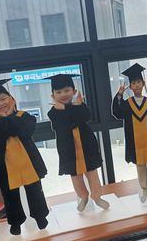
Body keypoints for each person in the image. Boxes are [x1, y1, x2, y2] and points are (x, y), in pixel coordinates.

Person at [0, 79, 50, 236]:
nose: (0, 103)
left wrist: (8, 117)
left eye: (3, 99)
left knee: (36, 192)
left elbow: (24, 130)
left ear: (12, 99)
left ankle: (40, 216)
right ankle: (16, 222)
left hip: (28, 164)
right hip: (7, 167)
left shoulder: (24, 116)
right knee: (10, 197)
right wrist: (4, 118)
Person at [47, 74, 109, 212]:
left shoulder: (80, 106)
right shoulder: (53, 112)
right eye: (58, 92)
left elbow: (85, 118)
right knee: (75, 176)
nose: (63, 94)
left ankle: (97, 197)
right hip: (68, 149)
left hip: (87, 145)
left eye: (67, 90)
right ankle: (83, 197)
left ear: (74, 91)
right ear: (53, 95)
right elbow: (61, 126)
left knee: (92, 173)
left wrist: (75, 107)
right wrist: (63, 110)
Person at [112, 63, 147, 202]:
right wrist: (119, 95)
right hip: (135, 143)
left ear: (143, 84)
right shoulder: (127, 103)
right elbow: (117, 113)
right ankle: (144, 190)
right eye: (133, 83)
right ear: (130, 86)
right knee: (140, 168)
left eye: (138, 82)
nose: (136, 85)